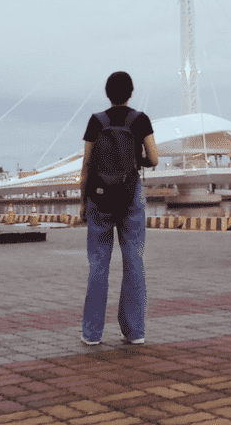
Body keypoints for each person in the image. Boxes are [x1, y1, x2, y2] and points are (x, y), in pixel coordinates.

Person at [79, 70, 158, 345]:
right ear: (131, 92)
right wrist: (137, 160)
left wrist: (82, 202)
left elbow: (86, 166)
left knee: (98, 263)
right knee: (134, 260)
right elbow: (155, 158)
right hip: (130, 195)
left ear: (107, 94)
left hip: (99, 198)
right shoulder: (140, 120)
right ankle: (135, 332)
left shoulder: (96, 121)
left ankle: (91, 334)